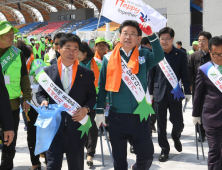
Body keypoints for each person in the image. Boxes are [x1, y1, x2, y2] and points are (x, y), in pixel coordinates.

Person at [95, 20, 164, 170]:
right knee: (119, 161)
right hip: (117, 116)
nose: (128, 37)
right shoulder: (108, 58)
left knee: (146, 157)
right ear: (119, 36)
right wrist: (99, 110)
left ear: (139, 39)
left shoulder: (144, 55)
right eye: (125, 33)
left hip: (141, 115)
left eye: (133, 34)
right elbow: (102, 87)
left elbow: (159, 56)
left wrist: (151, 35)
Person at [36, 33, 97, 170]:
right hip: (53, 129)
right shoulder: (47, 72)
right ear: (59, 49)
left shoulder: (86, 73)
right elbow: (40, 94)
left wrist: (86, 109)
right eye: (68, 48)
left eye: (75, 49)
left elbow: (92, 96)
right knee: (52, 166)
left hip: (76, 129)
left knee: (76, 166)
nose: (72, 52)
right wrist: (43, 101)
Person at [148, 27, 191, 162]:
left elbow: (185, 73)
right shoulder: (155, 54)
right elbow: (151, 75)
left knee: (178, 122)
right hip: (159, 93)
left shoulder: (181, 54)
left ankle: (176, 136)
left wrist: (188, 92)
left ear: (172, 39)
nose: (164, 41)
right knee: (161, 125)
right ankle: (164, 150)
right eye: (162, 39)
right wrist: (149, 94)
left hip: (175, 93)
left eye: (167, 39)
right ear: (159, 40)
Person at [0, 21, 32, 170]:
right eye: (8, 35)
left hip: (11, 107)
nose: (12, 37)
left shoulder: (17, 54)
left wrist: (26, 97)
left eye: (13, 34)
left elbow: (24, 78)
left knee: (9, 145)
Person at [192, 36, 222, 170]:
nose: (219, 57)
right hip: (212, 117)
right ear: (210, 52)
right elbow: (198, 94)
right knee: (215, 151)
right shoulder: (204, 69)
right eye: (215, 54)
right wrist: (195, 114)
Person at [77, 41, 101, 167]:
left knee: (92, 129)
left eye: (78, 52)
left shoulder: (97, 63)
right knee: (82, 128)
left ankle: (90, 153)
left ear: (85, 53)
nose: (76, 55)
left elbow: (103, 82)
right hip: (78, 103)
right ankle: (85, 148)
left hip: (94, 102)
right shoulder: (74, 63)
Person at [188, 31, 212, 142]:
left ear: (209, 42)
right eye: (199, 40)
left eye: (204, 41)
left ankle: (210, 131)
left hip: (212, 89)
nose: (201, 43)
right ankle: (200, 133)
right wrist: (189, 86)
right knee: (198, 109)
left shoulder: (214, 55)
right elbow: (189, 72)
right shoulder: (194, 56)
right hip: (197, 89)